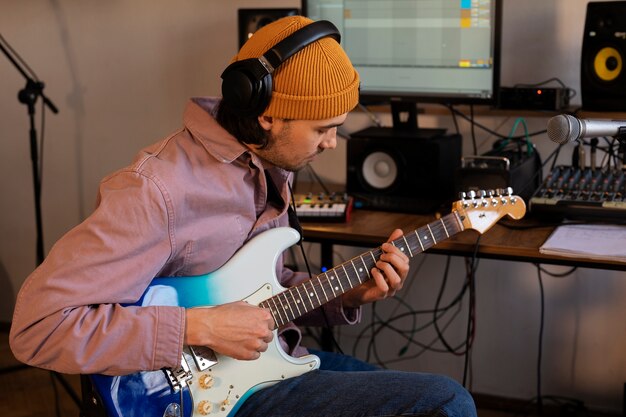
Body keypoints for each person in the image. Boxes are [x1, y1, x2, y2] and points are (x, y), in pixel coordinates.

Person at [10, 16, 477, 417]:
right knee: (444, 402)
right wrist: (200, 328)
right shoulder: (155, 190)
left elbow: (258, 296)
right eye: (323, 129)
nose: (332, 143)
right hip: (200, 399)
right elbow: (38, 328)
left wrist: (350, 291)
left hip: (270, 365)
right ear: (268, 114)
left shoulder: (269, 162)